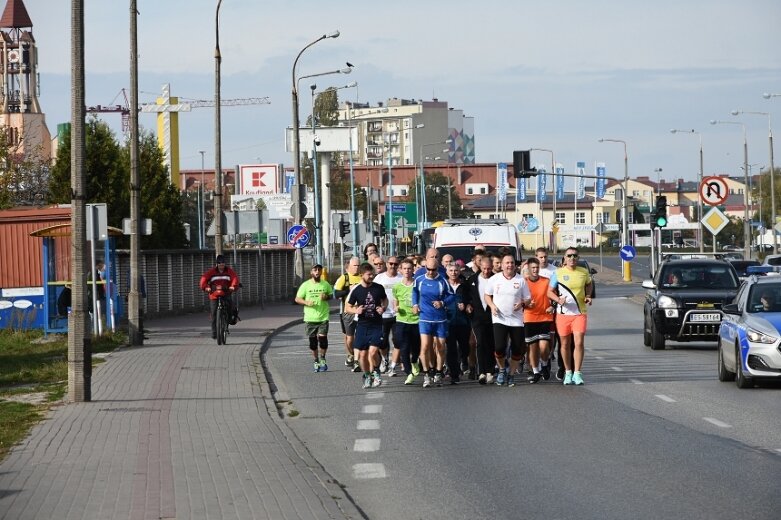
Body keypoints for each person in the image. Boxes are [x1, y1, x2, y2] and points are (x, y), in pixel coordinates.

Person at [548, 247, 593, 385]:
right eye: (569, 256)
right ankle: (568, 372)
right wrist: (558, 300)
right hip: (563, 314)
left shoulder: (584, 272)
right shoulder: (558, 273)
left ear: (577, 258)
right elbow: (549, 292)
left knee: (579, 342)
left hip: (579, 313)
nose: (572, 258)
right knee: (565, 344)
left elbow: (589, 284)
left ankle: (577, 373)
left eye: (575, 256)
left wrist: (588, 296)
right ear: (565, 258)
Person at [484, 254, 531, 387]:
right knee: (499, 347)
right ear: (502, 265)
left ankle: (511, 374)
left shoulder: (521, 280)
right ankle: (501, 370)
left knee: (517, 350)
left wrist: (522, 303)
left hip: (516, 320)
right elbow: (487, 295)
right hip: (499, 318)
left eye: (511, 263)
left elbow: (528, 298)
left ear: (515, 265)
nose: (509, 265)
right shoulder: (494, 279)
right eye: (507, 263)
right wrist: (492, 306)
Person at [345, 263, 388, 389]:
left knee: (373, 351)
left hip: (376, 324)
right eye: (369, 274)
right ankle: (367, 375)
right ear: (361, 275)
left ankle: (376, 371)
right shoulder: (357, 290)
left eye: (372, 274)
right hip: (363, 326)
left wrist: (383, 308)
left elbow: (385, 300)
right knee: (362, 356)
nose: (371, 276)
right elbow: (348, 307)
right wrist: (356, 311)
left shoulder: (378, 288)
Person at [413, 257, 454, 387]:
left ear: (438, 268)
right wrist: (415, 304)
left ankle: (438, 372)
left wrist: (442, 302)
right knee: (425, 346)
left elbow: (452, 295)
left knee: (441, 347)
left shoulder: (442, 281)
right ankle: (426, 373)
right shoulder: (419, 280)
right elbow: (414, 291)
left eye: (433, 269)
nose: (430, 272)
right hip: (425, 318)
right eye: (428, 269)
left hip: (440, 319)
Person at [294, 264, 334, 372]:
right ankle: (316, 360)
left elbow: (331, 295)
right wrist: (306, 302)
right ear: (311, 272)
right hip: (310, 318)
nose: (317, 272)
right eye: (315, 270)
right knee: (313, 343)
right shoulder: (305, 285)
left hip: (323, 317)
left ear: (321, 272)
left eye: (319, 270)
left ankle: (323, 359)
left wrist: (326, 297)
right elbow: (297, 299)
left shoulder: (325, 284)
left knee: (323, 340)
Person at [463, 256, 496, 384]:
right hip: (477, 316)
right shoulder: (472, 279)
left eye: (489, 269)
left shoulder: (496, 279)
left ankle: (490, 371)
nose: (486, 271)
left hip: (493, 316)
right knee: (480, 342)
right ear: (480, 267)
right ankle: (482, 371)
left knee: (492, 344)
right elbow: (465, 295)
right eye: (484, 268)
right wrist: (467, 305)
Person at [524, 258, 555, 383]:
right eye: (533, 268)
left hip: (544, 317)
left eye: (537, 267)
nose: (535, 270)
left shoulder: (546, 281)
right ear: (528, 269)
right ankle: (536, 371)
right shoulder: (523, 282)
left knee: (544, 346)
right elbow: (519, 299)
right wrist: (525, 303)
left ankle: (544, 364)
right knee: (533, 347)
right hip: (530, 317)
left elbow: (553, 295)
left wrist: (552, 305)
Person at [393, 259, 422, 385]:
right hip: (402, 320)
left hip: (416, 320)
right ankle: (409, 372)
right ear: (400, 269)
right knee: (403, 347)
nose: (407, 271)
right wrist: (396, 308)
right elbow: (396, 301)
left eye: (409, 268)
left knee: (416, 348)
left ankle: (415, 361)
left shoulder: (418, 285)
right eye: (404, 268)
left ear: (413, 269)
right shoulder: (397, 287)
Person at [199, 254, 240, 339]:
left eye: (223, 263)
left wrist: (233, 286)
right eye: (220, 263)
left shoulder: (229, 271)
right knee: (214, 314)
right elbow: (203, 279)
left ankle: (227, 322)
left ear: (225, 264)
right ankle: (214, 333)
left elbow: (234, 278)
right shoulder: (211, 272)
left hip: (226, 293)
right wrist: (206, 287)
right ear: (217, 264)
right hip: (214, 295)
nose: (221, 265)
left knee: (230, 308)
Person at [373, 255, 402, 375]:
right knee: (382, 342)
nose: (393, 266)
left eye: (395, 264)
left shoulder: (401, 278)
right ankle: (385, 359)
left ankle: (393, 366)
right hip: (383, 315)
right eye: (391, 263)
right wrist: (377, 307)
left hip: (397, 315)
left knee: (397, 341)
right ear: (387, 264)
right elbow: (372, 294)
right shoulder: (379, 278)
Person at [334, 257, 363, 372]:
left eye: (358, 265)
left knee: (360, 337)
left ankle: (357, 361)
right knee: (349, 339)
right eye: (354, 266)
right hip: (347, 311)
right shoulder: (344, 278)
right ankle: (351, 355)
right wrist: (348, 290)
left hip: (361, 311)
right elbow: (335, 294)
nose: (356, 268)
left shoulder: (362, 277)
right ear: (349, 266)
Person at [445, 263, 470, 384]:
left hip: (463, 322)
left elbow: (471, 300)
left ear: (459, 271)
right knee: (451, 349)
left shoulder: (465, 286)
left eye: (456, 270)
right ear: (447, 271)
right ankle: (454, 373)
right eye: (451, 270)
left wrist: (466, 305)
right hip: (448, 322)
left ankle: (462, 362)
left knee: (465, 348)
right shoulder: (443, 285)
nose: (453, 272)